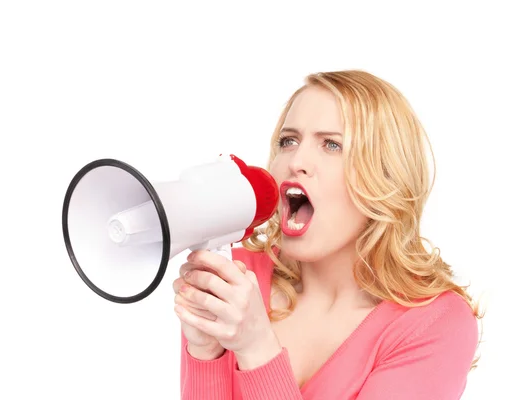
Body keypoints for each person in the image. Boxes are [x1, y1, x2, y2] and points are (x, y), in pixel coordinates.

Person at [172, 70, 483, 399]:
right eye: (288, 141)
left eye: (332, 145)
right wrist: (206, 352)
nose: (297, 161)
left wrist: (257, 348)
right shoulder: (238, 278)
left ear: (385, 177)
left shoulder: (434, 324)